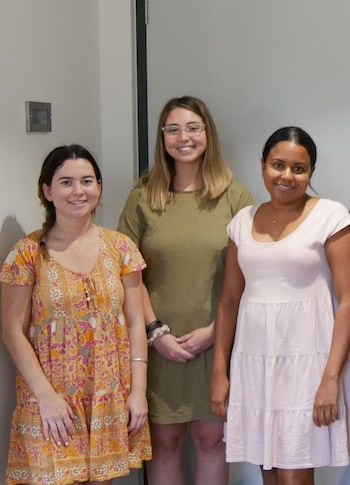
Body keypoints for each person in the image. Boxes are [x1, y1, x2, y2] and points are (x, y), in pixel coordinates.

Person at [211, 126, 350, 485]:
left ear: (311, 173)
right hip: (254, 361)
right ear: (263, 164)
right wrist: (220, 372)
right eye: (278, 165)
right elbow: (229, 301)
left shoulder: (332, 217)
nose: (287, 176)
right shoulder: (241, 223)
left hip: (308, 363)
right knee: (269, 471)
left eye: (300, 168)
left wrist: (330, 381)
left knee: (295, 473)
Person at [117, 96, 253, 485]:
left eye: (193, 127)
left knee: (212, 438)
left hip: (218, 340)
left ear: (208, 133)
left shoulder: (236, 197)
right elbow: (128, 274)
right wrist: (155, 332)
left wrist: (215, 332)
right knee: (164, 440)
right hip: (155, 343)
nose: (184, 137)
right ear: (162, 138)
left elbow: (249, 274)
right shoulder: (142, 197)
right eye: (173, 129)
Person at [0, 144, 151, 485]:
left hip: (107, 395)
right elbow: (12, 331)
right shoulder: (27, 253)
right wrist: (46, 397)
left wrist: (137, 390)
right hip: (51, 401)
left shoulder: (121, 247)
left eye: (87, 181)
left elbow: (135, 321)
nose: (78, 191)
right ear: (47, 191)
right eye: (66, 182)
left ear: (98, 186)